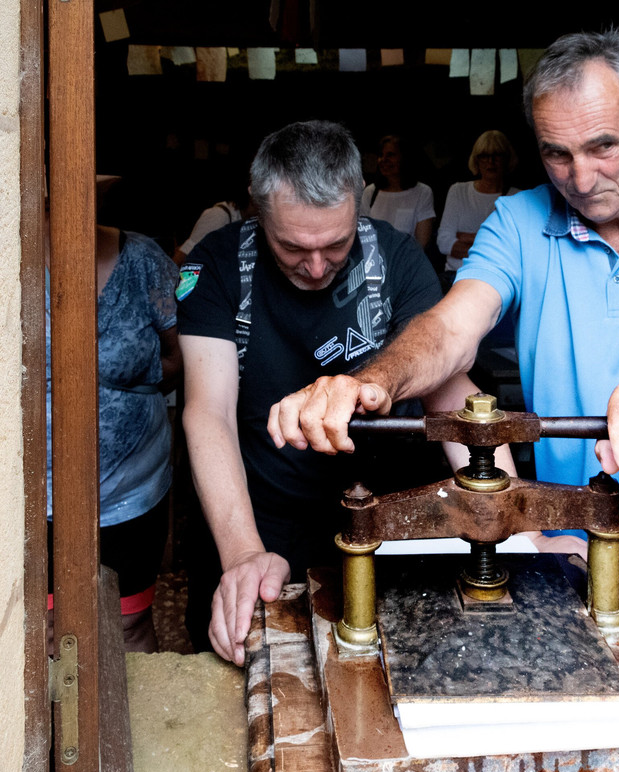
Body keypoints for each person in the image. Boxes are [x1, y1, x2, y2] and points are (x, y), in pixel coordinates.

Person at [268, 31, 619, 632]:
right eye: (557, 154)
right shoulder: (520, 223)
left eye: (602, 146)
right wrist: (370, 383)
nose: (579, 178)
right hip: (577, 579)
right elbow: (449, 331)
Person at [176, 120, 471, 665]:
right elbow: (207, 413)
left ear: (357, 208)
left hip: (385, 518)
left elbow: (451, 395)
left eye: (335, 244)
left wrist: (518, 518)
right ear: (256, 211)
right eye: (292, 247)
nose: (315, 268)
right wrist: (242, 554)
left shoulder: (398, 260)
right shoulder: (217, 266)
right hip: (256, 517)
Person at [47, 213, 181, 652]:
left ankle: (132, 722)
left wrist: (122, 381)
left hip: (130, 491)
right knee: (43, 629)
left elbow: (182, 358)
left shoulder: (142, 259)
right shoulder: (13, 260)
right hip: (29, 498)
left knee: (128, 625)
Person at [437, 130, 519, 276]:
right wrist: (493, 245)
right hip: (456, 276)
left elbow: (516, 250)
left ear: (507, 159)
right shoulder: (458, 191)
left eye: (497, 155)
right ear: (476, 160)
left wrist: (466, 237)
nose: (490, 161)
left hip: (498, 277)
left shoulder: (518, 197)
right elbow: (444, 242)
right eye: (484, 156)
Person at [360, 134, 436, 250]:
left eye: (390, 155)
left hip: (407, 263)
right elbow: (363, 236)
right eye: (381, 155)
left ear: (405, 158)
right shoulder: (370, 192)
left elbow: (422, 243)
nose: (383, 160)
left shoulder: (422, 192)